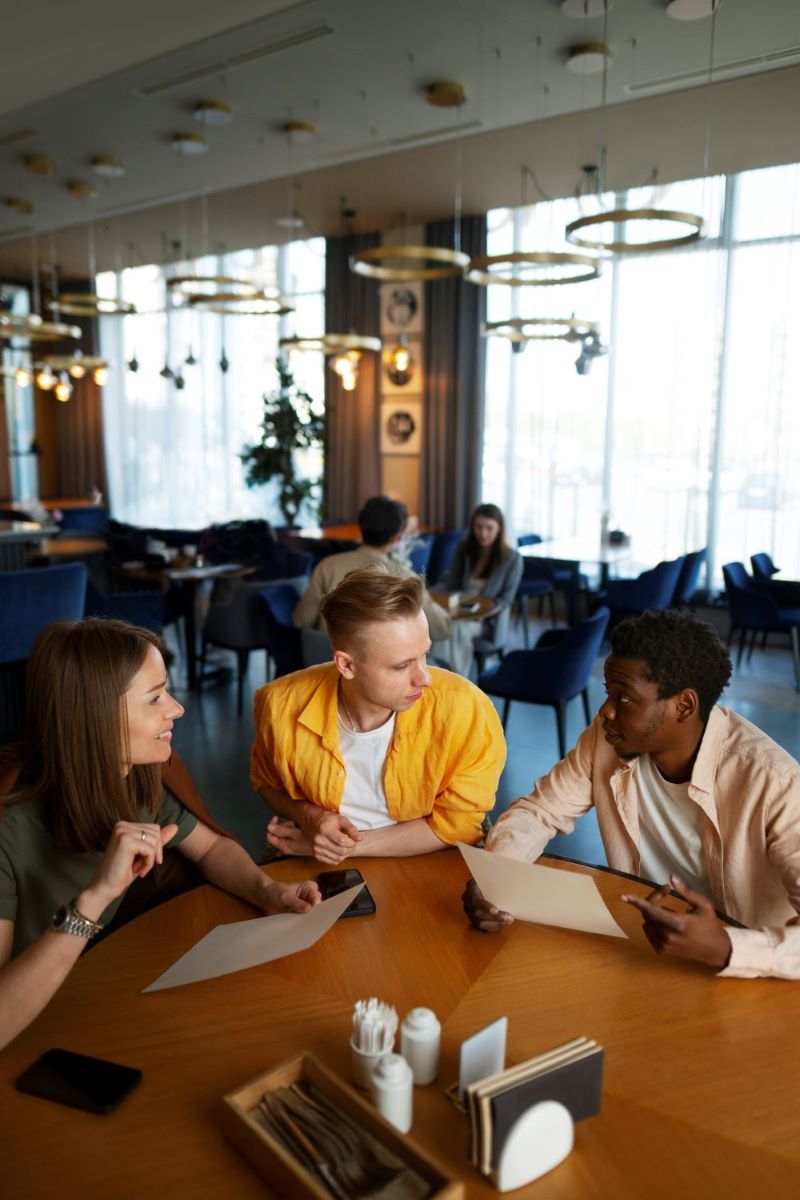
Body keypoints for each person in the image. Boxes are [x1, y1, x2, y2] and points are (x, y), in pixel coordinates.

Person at [0, 618, 320, 1051]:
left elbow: (208, 848)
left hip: (95, 992)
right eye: (154, 699)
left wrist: (267, 891)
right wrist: (95, 899)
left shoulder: (137, 775)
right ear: (93, 716)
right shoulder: (9, 825)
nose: (177, 708)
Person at [462, 609, 800, 980]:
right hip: (644, 949)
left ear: (684, 706)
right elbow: (540, 811)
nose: (605, 711)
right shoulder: (608, 737)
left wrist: (726, 947)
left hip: (752, 975)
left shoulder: (775, 782)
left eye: (624, 699)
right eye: (608, 693)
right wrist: (497, 877)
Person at [252, 567, 506, 864]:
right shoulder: (279, 705)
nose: (424, 678)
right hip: (313, 848)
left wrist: (347, 847)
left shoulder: (467, 709)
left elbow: (460, 825)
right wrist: (310, 816)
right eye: (402, 666)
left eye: (424, 654)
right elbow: (266, 782)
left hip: (432, 855)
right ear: (346, 665)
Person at [292, 494, 450, 644]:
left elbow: (301, 620)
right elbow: (441, 628)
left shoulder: (327, 566)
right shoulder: (405, 578)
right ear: (397, 536)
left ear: (361, 528)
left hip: (325, 662)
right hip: (379, 667)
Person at [440, 503, 523, 676]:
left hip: (487, 619)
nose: (483, 533)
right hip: (459, 609)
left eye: (489, 528)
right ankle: (441, 676)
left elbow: (506, 599)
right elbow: (452, 584)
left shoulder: (512, 558)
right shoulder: (465, 549)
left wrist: (484, 612)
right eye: (478, 527)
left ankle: (458, 680)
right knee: (437, 622)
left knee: (458, 628)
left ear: (499, 529)